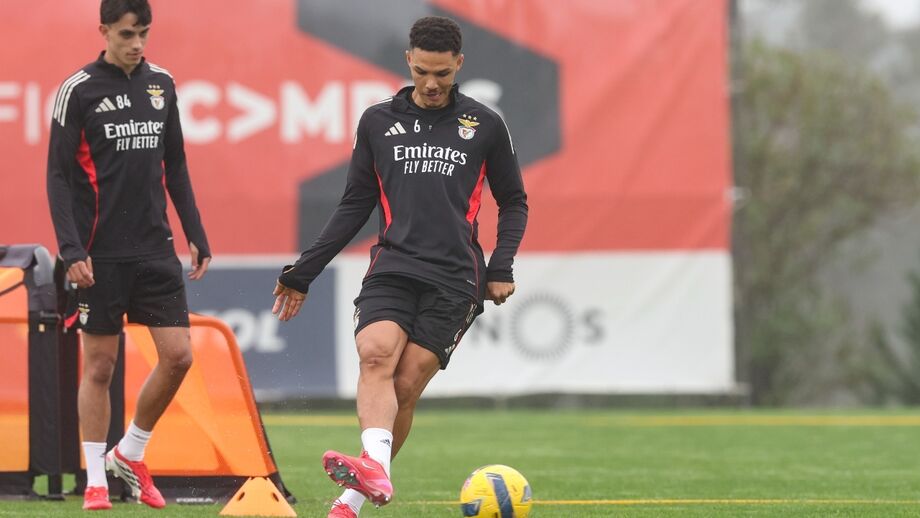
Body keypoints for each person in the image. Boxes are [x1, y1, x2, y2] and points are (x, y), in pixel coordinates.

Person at [272, 15, 528, 518]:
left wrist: (502, 264)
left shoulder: (485, 124)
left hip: (456, 276)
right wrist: (304, 270)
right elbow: (354, 205)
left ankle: (351, 501)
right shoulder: (376, 121)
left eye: (443, 74)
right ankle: (373, 475)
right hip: (393, 264)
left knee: (406, 385)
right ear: (408, 60)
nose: (432, 85)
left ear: (458, 65)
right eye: (423, 72)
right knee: (375, 354)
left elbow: (514, 201)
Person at [46, 0, 210, 511]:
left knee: (180, 356)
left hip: (154, 249)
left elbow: (176, 164)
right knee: (100, 367)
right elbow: (56, 177)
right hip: (98, 254)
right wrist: (71, 249)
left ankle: (130, 452)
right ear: (103, 31)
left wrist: (195, 230)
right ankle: (96, 478)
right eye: (126, 34)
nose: (136, 44)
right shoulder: (77, 91)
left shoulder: (162, 84)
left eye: (143, 33)